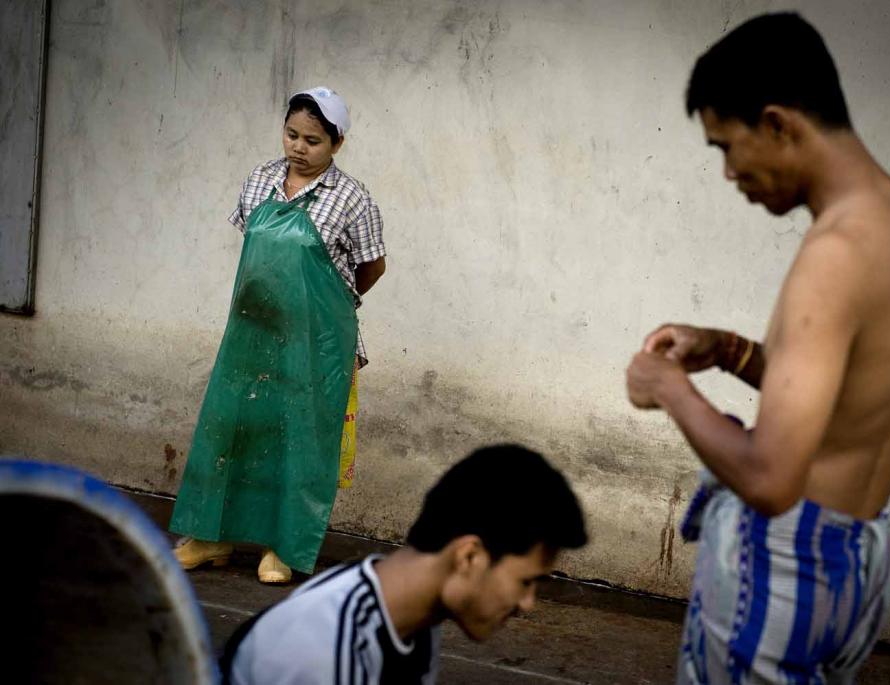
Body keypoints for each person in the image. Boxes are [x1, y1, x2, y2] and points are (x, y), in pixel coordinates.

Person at [625, 13, 890, 684]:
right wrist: (726, 350)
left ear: (777, 123)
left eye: (725, 145)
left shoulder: (836, 252)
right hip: (859, 558)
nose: (726, 173)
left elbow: (773, 478)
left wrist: (668, 388)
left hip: (786, 558)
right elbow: (857, 394)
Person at [169, 87, 387, 584]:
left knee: (300, 439)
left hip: (317, 343)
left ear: (337, 143)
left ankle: (281, 547)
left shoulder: (352, 199)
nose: (299, 147)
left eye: (313, 140)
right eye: (292, 134)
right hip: (252, 333)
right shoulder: (260, 181)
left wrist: (327, 309)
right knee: (232, 428)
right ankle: (210, 537)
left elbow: (372, 267)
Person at [222, 444, 588, 684]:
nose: (527, 604)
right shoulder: (324, 654)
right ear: (469, 557)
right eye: (526, 582)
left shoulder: (413, 616)